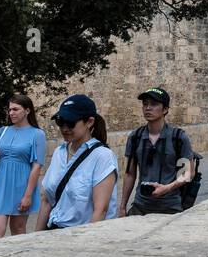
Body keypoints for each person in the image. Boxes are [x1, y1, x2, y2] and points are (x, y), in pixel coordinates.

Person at [36, 94, 118, 231]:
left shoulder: (102, 157)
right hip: (53, 232)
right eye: (60, 122)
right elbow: (47, 200)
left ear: (89, 122)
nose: (64, 128)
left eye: (71, 122)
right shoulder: (59, 153)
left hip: (81, 235)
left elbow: (100, 210)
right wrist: (35, 239)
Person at [120, 87, 198, 216]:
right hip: (140, 206)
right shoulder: (135, 137)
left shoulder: (178, 137)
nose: (148, 108)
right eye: (145, 104)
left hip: (170, 206)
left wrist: (167, 188)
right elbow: (130, 174)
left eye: (154, 104)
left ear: (165, 109)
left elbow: (188, 173)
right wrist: (123, 206)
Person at [0, 93, 47, 240]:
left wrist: (28, 196)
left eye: (15, 109)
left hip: (21, 186)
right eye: (10, 109)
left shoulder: (37, 134)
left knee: (18, 231)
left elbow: (37, 166)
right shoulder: (3, 131)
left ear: (27, 111)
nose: (11, 113)